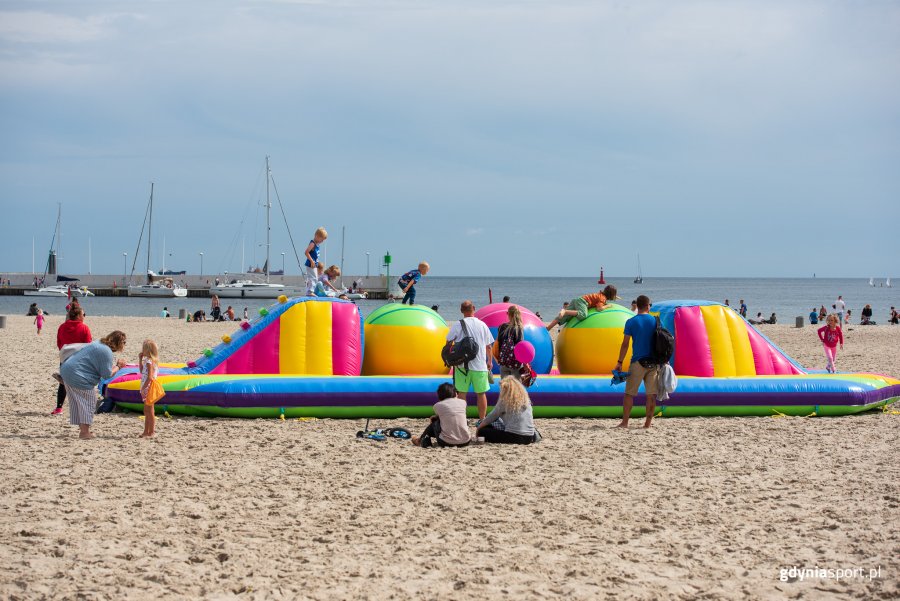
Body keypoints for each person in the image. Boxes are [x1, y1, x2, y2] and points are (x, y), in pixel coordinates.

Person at [59, 331, 127, 439]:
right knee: (89, 403)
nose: (124, 345)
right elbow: (106, 375)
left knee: (78, 403)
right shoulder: (106, 351)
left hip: (67, 370)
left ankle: (83, 430)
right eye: (124, 342)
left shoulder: (98, 343)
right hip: (78, 375)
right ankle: (84, 433)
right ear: (119, 343)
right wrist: (119, 366)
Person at [615, 295, 658, 429]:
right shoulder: (656, 321)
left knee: (629, 394)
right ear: (648, 306)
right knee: (651, 395)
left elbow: (625, 344)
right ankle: (647, 424)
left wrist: (619, 362)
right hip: (654, 362)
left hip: (637, 362)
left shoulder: (631, 322)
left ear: (637, 306)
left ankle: (625, 422)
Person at [446, 300, 495, 420]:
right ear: (474, 308)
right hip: (480, 365)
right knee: (481, 394)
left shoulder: (458, 324)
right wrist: (489, 361)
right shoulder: (482, 325)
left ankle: (462, 419)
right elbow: (489, 346)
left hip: (462, 365)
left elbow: (448, 342)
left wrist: (451, 356)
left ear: (461, 311)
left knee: (462, 393)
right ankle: (482, 419)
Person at [53, 307, 93, 415]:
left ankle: (59, 408)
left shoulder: (62, 327)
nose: (84, 317)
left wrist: (65, 353)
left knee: (63, 383)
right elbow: (88, 345)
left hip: (65, 357)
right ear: (78, 316)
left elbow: (59, 343)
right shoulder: (84, 328)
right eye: (83, 315)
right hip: (79, 359)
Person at [476, 377, 537, 444]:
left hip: (514, 436)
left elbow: (491, 417)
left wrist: (478, 429)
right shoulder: (526, 400)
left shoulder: (505, 401)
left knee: (483, 431)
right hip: (530, 437)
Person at [411, 382, 470, 448]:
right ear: (455, 393)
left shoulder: (437, 405)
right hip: (466, 441)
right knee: (464, 420)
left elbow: (441, 417)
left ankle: (419, 440)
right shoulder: (463, 402)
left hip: (446, 443)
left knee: (434, 423)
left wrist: (434, 418)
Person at [545, 285, 618, 331]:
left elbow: (598, 301)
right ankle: (565, 311)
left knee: (563, 317)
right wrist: (608, 306)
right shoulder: (602, 298)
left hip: (578, 300)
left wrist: (613, 297)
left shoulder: (601, 295)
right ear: (611, 295)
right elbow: (599, 309)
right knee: (583, 315)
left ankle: (548, 328)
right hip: (582, 302)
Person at [139, 339, 165, 438]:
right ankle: (147, 431)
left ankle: (151, 432)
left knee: (149, 411)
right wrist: (140, 360)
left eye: (143, 349)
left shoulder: (150, 361)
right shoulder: (148, 360)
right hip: (147, 386)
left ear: (148, 350)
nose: (142, 350)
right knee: (147, 410)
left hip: (148, 387)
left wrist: (143, 388)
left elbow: (149, 377)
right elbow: (142, 371)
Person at [496, 305, 526, 381]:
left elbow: (499, 344)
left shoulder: (502, 327)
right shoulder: (519, 328)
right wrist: (525, 363)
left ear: (508, 314)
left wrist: (499, 358)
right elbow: (520, 347)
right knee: (516, 387)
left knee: (505, 386)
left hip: (504, 361)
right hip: (516, 363)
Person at [304, 227, 328, 296]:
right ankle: (309, 292)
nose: (322, 241)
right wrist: (311, 261)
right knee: (313, 278)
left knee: (315, 278)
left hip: (314, 265)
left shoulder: (317, 245)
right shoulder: (313, 244)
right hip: (310, 264)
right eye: (322, 239)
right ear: (317, 236)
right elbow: (306, 252)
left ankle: (312, 291)